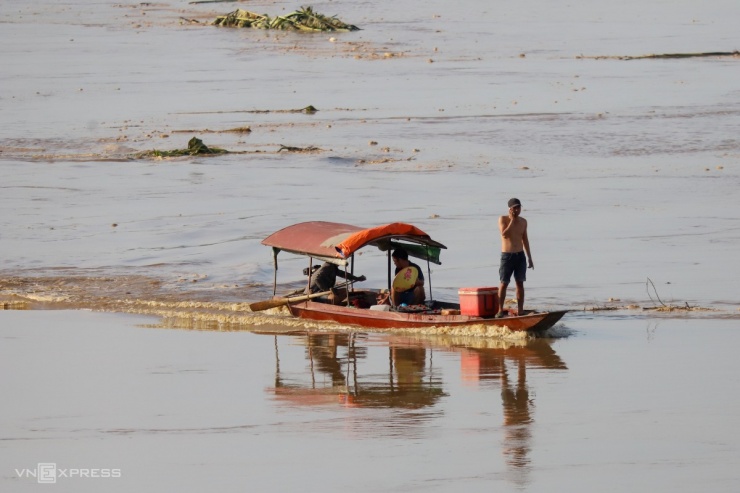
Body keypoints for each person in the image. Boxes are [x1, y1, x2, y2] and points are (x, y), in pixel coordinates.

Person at [497, 198, 534, 317]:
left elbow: (525, 240)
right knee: (504, 283)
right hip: (507, 256)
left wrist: (529, 257)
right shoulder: (503, 219)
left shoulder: (523, 222)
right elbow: (504, 234)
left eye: (519, 207)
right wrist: (512, 221)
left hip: (520, 256)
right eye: (515, 208)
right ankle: (499, 310)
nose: (518, 210)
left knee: (520, 283)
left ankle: (520, 310)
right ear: (510, 209)